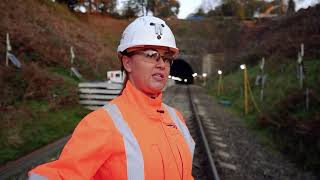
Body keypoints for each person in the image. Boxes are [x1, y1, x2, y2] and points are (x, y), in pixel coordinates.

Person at [28, 16, 195, 180]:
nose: (161, 64)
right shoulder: (102, 123)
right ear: (127, 63)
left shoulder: (176, 119)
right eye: (151, 55)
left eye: (167, 58)